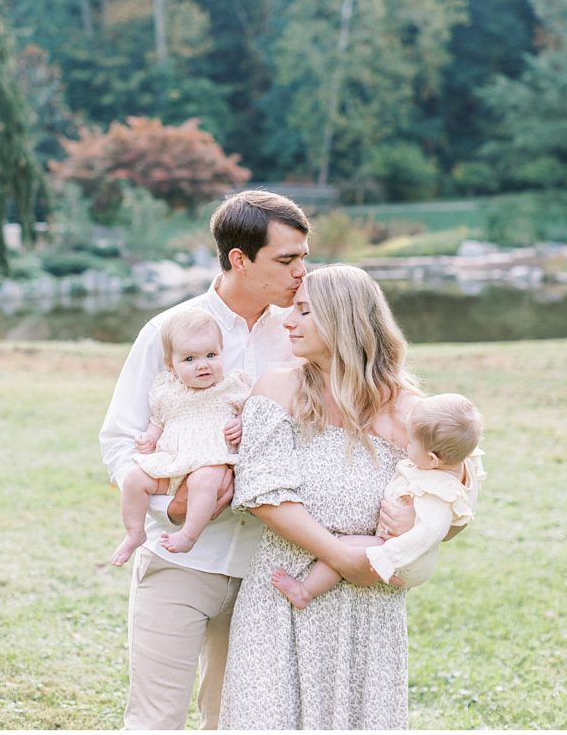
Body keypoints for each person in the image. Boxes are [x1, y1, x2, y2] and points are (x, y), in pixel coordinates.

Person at [99, 190, 311, 730]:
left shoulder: (302, 331)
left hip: (268, 567)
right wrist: (171, 507)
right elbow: (121, 439)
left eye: (305, 256)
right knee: (154, 719)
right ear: (240, 259)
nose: (301, 272)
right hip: (180, 560)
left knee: (235, 720)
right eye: (287, 259)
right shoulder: (169, 332)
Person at [219, 263, 443, 730]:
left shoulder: (409, 410)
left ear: (343, 319)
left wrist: (422, 532)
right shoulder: (278, 388)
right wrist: (344, 557)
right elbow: (263, 493)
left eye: (303, 311)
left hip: (367, 609)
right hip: (280, 597)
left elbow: (449, 493)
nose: (287, 321)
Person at [270, 392, 486, 609]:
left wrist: (386, 558)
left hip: (406, 557)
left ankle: (304, 592)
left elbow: (429, 533)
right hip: (401, 549)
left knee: (344, 548)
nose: (406, 445)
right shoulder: (436, 466)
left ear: (432, 459)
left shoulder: (438, 491)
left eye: (410, 442)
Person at [111, 307, 251, 567]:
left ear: (222, 352)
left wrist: (241, 422)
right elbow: (158, 422)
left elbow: (253, 411)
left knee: (205, 480)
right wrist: (149, 439)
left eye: (211, 355)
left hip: (209, 459)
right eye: (190, 359)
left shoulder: (231, 387)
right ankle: (134, 532)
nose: (203, 365)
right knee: (133, 478)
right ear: (170, 364)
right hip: (172, 462)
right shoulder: (167, 391)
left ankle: (189, 534)